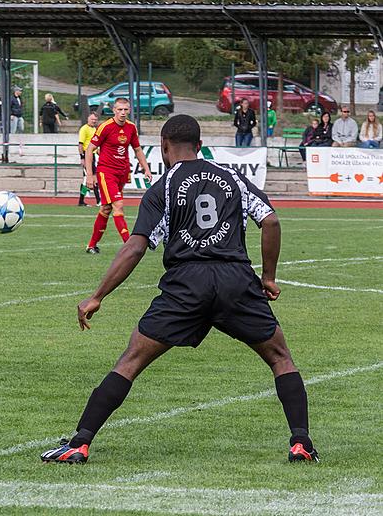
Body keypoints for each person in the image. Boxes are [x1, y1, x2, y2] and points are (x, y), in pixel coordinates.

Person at [41, 114, 318, 465]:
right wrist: (269, 277)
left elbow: (135, 247)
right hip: (235, 281)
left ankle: (80, 443)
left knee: (132, 360)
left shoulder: (164, 187)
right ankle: (301, 443)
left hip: (186, 285)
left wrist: (98, 295)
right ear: (200, 146)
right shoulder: (232, 177)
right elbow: (271, 221)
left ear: (165, 148)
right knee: (280, 358)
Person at [83, 98, 153, 254]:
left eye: (125, 110)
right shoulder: (105, 127)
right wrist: (89, 175)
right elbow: (89, 149)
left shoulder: (131, 127)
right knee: (118, 205)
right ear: (114, 110)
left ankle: (92, 245)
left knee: (106, 208)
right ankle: (129, 246)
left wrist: (146, 168)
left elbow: (137, 149)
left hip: (122, 172)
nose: (123, 113)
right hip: (106, 172)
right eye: (120, 109)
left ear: (129, 110)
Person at [77, 113, 101, 206]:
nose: (94, 121)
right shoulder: (84, 129)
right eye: (92, 119)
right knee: (90, 178)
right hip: (87, 156)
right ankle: (98, 200)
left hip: (93, 156)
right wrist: (82, 157)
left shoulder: (94, 129)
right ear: (88, 119)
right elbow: (80, 144)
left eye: (95, 120)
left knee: (91, 179)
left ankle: (82, 201)